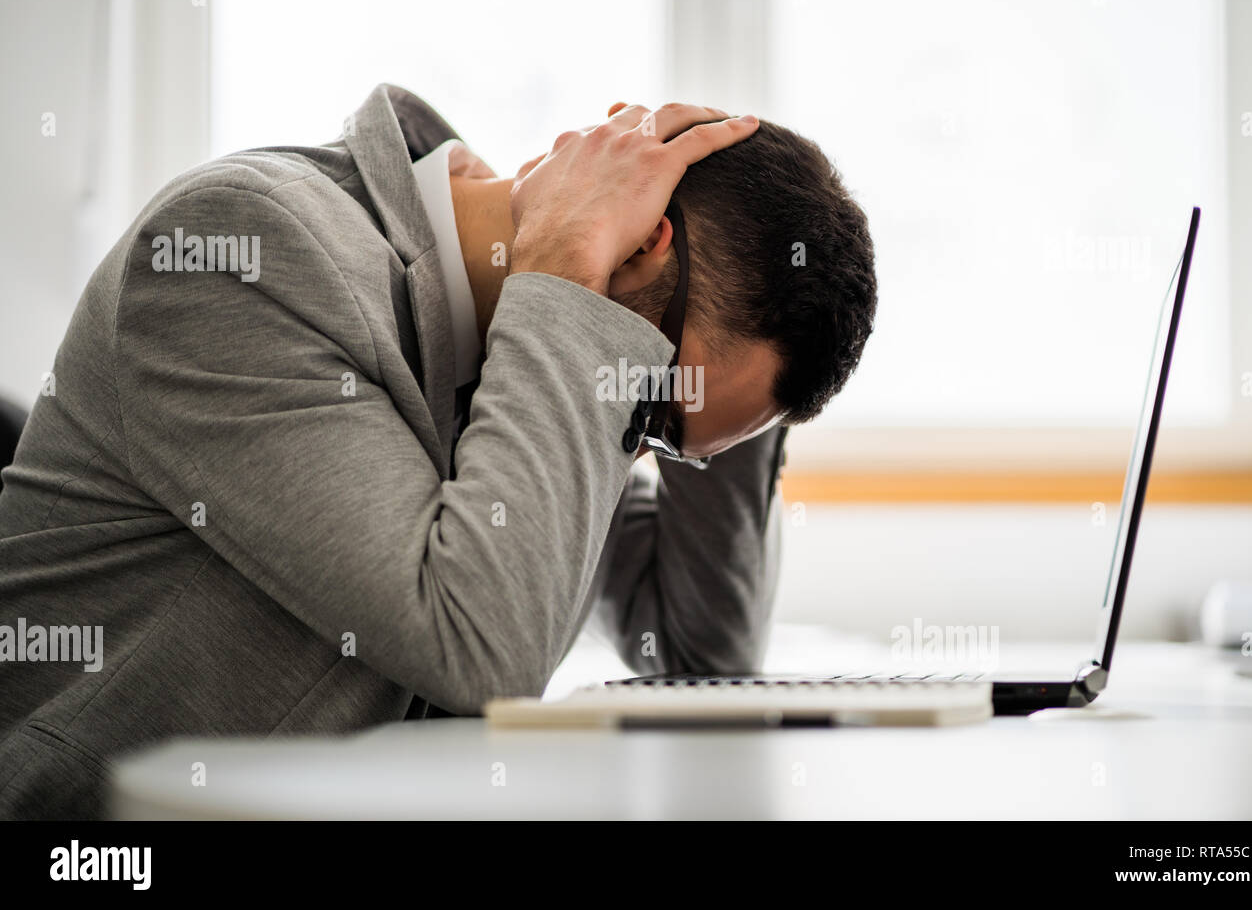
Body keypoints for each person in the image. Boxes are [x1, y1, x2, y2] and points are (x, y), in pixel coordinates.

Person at [0, 85, 876, 817]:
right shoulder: (247, 248)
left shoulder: (540, 338)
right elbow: (479, 647)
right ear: (638, 244)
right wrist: (570, 277)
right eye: (648, 414)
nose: (633, 441)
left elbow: (702, 655)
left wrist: (719, 415)